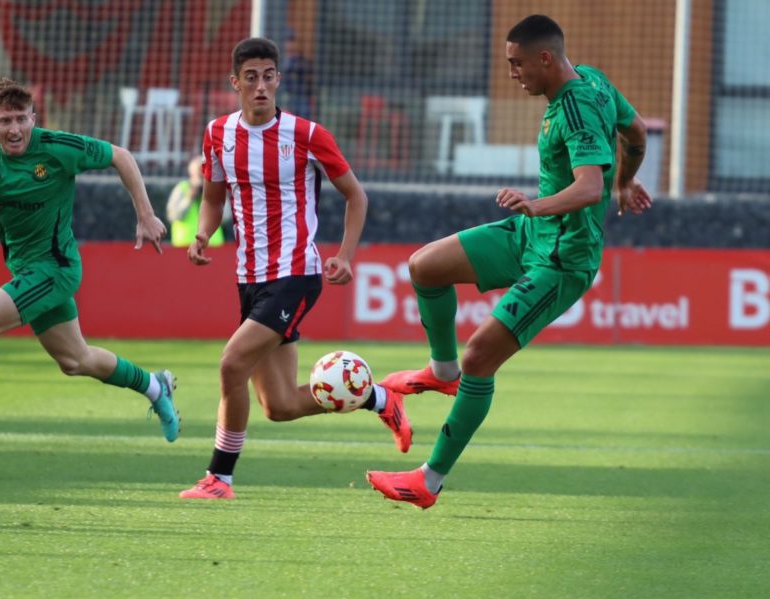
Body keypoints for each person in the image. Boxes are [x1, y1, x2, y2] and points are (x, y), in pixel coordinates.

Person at [366, 14, 653, 509]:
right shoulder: (596, 80)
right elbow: (638, 132)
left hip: (562, 258)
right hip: (531, 235)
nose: (513, 73)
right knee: (424, 266)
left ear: (545, 58)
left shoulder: (581, 106)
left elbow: (587, 189)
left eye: (517, 64)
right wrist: (626, 179)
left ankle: (428, 481)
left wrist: (541, 202)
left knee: (481, 357)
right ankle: (441, 370)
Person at [178, 37, 411, 500]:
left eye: (268, 76)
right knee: (280, 406)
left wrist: (344, 255)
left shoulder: (306, 135)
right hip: (250, 278)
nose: (261, 86)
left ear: (278, 80)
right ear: (236, 83)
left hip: (294, 274)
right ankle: (378, 397)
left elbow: (356, 196)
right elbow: (212, 196)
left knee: (231, 364)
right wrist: (204, 232)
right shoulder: (217, 133)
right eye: (251, 78)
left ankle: (219, 478)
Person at [0, 78, 180, 442]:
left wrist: (145, 215)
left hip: (55, 269)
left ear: (33, 119)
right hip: (25, 269)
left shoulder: (57, 148)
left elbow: (121, 155)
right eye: (5, 121)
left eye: (21, 119)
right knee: (75, 361)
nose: (14, 129)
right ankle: (154, 386)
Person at [166, 155, 225, 248]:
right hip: (184, 245)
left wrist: (210, 199)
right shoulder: (182, 188)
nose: (202, 176)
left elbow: (226, 217)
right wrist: (189, 197)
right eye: (198, 173)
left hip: (213, 245)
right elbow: (173, 215)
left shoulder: (215, 188)